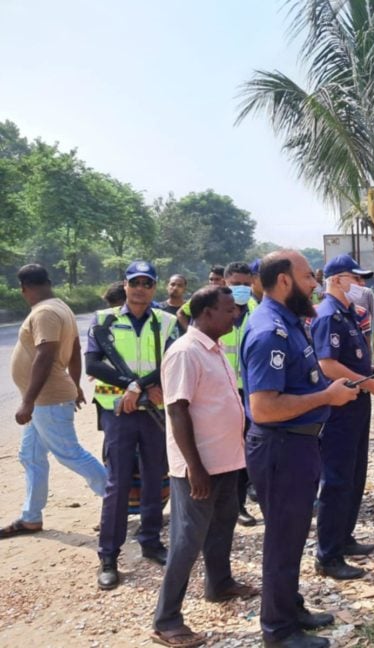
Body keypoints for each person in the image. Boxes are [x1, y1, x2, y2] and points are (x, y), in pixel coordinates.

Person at [242, 250, 358, 648]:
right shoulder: (268, 331)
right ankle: (278, 630)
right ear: (285, 281)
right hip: (281, 448)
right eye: (309, 277)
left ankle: (290, 608)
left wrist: (324, 397)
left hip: (297, 446)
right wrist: (325, 396)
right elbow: (264, 406)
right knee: (282, 541)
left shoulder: (289, 322)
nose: (315, 284)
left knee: (291, 537)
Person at [151, 286, 258, 648]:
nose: (235, 315)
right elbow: (177, 410)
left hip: (226, 460)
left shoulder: (213, 349)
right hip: (200, 466)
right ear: (207, 312)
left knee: (222, 526)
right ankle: (166, 619)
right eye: (229, 310)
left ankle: (219, 583)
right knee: (187, 540)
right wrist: (194, 467)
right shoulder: (184, 352)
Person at [86, 261, 180, 590]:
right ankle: (108, 556)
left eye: (147, 283)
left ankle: (151, 542)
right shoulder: (103, 321)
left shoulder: (167, 322)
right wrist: (132, 384)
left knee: (155, 477)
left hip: (153, 411)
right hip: (118, 412)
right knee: (118, 482)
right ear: (124, 285)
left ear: (154, 288)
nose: (140, 288)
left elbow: (172, 360)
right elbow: (93, 364)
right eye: (134, 282)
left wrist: (139, 386)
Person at [2, 264, 107, 539]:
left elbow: (46, 355)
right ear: (48, 281)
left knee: (70, 454)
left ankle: (118, 503)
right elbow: (73, 350)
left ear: (24, 289)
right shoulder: (60, 306)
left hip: (46, 399)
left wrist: (27, 401)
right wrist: (75, 384)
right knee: (31, 456)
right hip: (47, 399)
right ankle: (31, 518)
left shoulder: (46, 312)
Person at [312, 255, 374, 580]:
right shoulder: (328, 315)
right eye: (355, 279)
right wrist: (370, 383)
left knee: (354, 476)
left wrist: (371, 372)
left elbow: (350, 360)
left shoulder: (347, 313)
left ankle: (343, 538)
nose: (361, 286)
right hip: (339, 410)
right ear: (337, 280)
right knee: (335, 481)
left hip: (357, 406)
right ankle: (327, 555)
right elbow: (328, 365)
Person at [222, 261, 258, 527]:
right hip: (220, 390)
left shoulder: (258, 311)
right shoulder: (215, 310)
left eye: (246, 284)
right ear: (225, 283)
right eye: (236, 284)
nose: (242, 289)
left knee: (245, 449)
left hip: (248, 390)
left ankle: (239, 505)